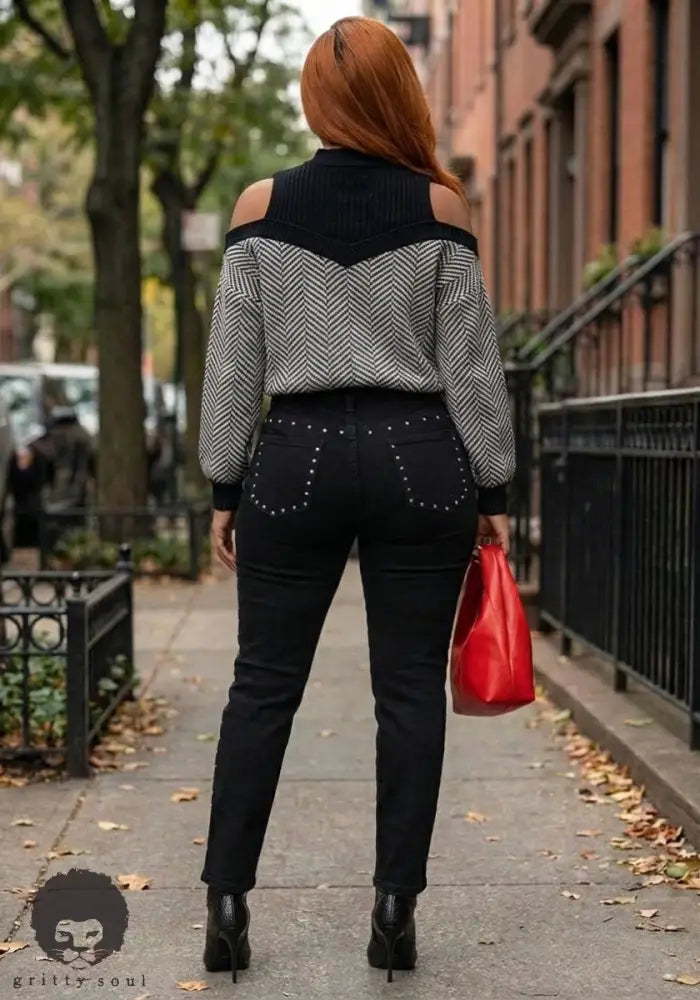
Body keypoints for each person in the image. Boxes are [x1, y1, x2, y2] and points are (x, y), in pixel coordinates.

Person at [198, 15, 515, 985]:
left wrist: (223, 483)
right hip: (419, 457)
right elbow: (472, 367)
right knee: (409, 690)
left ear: (316, 99)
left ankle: (226, 905)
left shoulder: (259, 208)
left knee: (262, 684)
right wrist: (495, 486)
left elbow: (232, 365)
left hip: (293, 458)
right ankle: (393, 911)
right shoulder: (439, 209)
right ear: (398, 95)